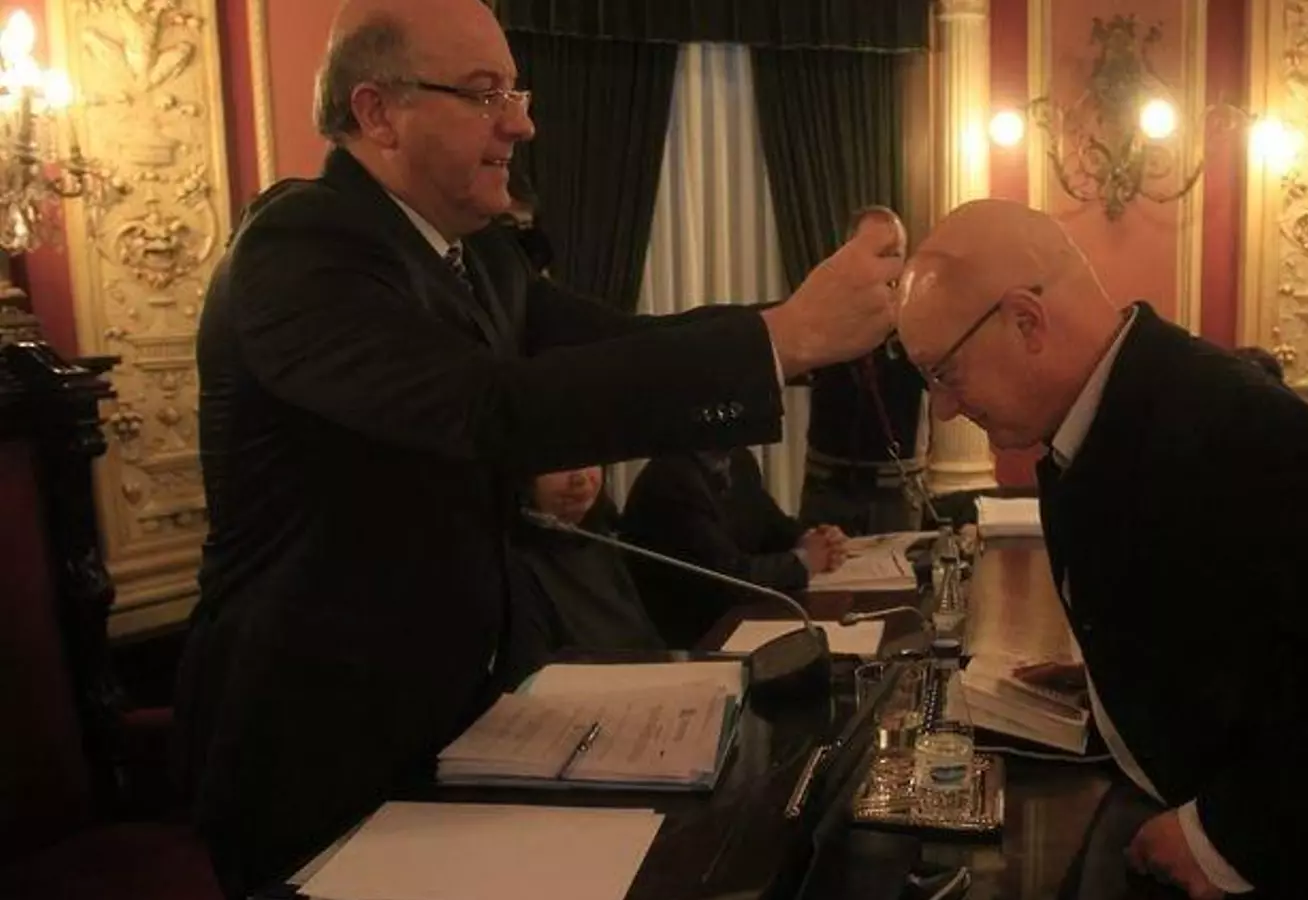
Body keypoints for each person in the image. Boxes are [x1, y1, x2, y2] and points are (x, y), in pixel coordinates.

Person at [172, 0, 902, 894]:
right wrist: (780, 340)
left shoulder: (480, 257)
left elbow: (621, 344)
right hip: (315, 736)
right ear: (378, 112)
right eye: (485, 94)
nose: (521, 123)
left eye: (516, 93)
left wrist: (791, 330)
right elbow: (490, 410)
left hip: (462, 710)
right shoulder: (298, 248)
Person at [894, 199, 1308, 900]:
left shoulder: (1236, 426)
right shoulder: (1116, 411)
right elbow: (1264, 620)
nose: (943, 407)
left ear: (1025, 321)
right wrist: (1126, 674)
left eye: (944, 373)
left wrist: (1225, 836)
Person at [621, 447, 847, 647]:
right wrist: (803, 562)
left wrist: (819, 539)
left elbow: (771, 526)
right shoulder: (671, 478)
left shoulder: (740, 460)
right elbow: (730, 580)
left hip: (738, 624)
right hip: (690, 643)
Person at [798, 206, 927, 535]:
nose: (887, 265)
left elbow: (942, 381)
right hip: (829, 483)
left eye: (895, 255)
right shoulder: (821, 309)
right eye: (878, 254)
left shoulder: (915, 316)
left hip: (894, 488)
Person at [509, 466, 664, 652]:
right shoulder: (511, 563)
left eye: (590, 461)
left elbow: (646, 641)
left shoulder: (597, 536)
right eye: (562, 464)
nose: (581, 479)